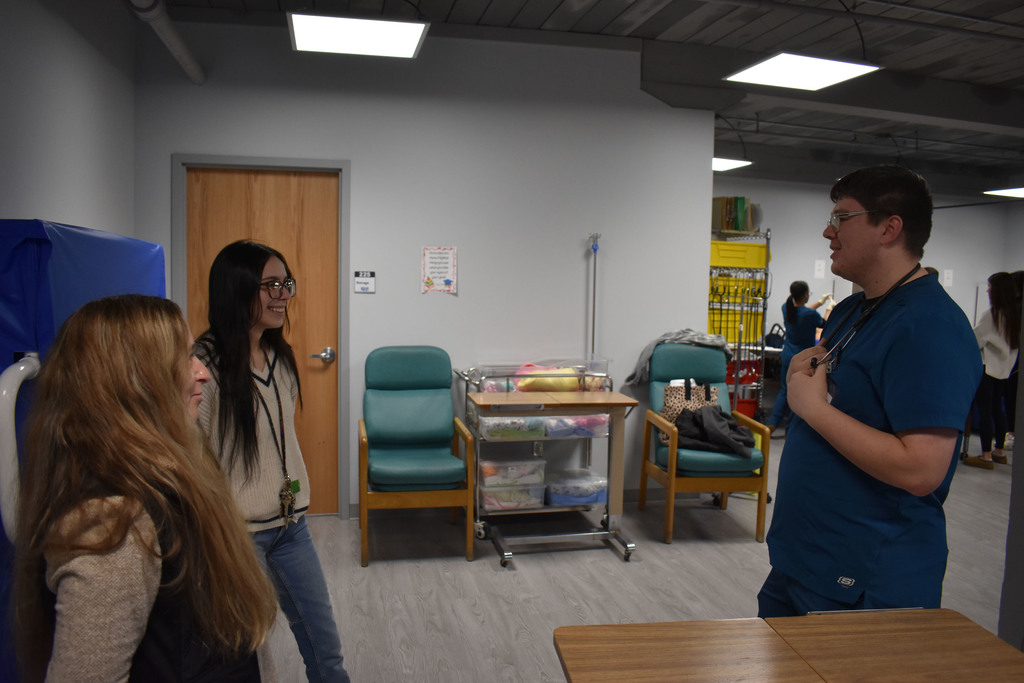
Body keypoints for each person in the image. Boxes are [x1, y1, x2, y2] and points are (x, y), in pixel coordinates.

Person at [14, 294, 278, 682]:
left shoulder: (173, 478)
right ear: (137, 384)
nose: (202, 372)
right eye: (186, 358)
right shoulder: (116, 525)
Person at [758, 165, 982, 618]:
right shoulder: (851, 309)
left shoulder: (929, 326)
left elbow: (921, 470)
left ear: (889, 228)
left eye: (842, 218)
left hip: (863, 580)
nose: (828, 231)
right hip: (803, 560)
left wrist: (811, 408)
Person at [195, 240, 350, 683]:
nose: (282, 294)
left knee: (326, 648)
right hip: (239, 540)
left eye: (286, 284)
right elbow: (190, 461)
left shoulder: (278, 356)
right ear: (236, 288)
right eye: (269, 285)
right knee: (248, 660)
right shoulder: (204, 368)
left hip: (292, 528)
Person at [964, 272, 1020, 469]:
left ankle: (985, 455)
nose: (987, 289)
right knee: (998, 410)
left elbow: (975, 339)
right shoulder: (1014, 316)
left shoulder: (992, 315)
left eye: (989, 286)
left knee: (985, 411)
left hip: (988, 369)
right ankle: (999, 451)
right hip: (1004, 370)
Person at [765, 281, 830, 435]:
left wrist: (820, 302)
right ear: (806, 294)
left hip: (787, 355)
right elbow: (824, 324)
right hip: (803, 358)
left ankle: (771, 424)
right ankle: (791, 430)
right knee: (799, 391)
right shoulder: (810, 315)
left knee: (784, 390)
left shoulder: (785, 308)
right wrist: (828, 307)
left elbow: (803, 311)